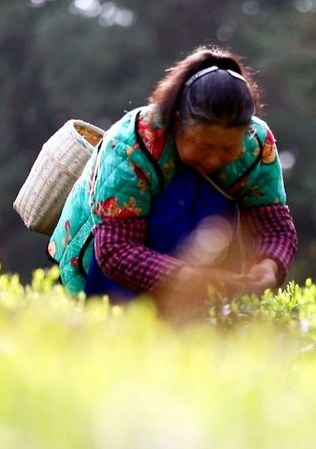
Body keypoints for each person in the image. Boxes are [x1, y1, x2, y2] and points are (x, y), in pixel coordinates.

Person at [46, 46, 297, 319]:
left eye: (228, 150)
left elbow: (274, 224)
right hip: (108, 269)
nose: (214, 159)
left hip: (199, 270)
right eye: (204, 146)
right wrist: (188, 277)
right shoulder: (131, 144)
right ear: (177, 122)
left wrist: (269, 266)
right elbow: (115, 249)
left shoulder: (257, 145)